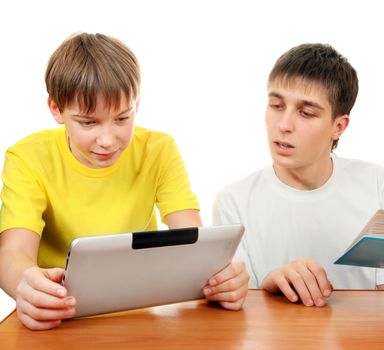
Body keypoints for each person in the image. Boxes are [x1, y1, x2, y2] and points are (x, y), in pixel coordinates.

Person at [0, 32, 248, 331]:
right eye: (88, 122)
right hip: (61, 315)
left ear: (136, 105)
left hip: (140, 313)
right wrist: (25, 284)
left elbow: (192, 238)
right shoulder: (28, 156)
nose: (107, 141)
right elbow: (13, 252)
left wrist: (222, 276)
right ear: (56, 110)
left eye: (122, 118)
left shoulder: (159, 149)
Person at [212, 43, 384, 307]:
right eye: (276, 105)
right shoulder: (234, 200)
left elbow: (380, 291)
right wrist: (270, 283)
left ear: (338, 126)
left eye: (306, 113)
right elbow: (236, 309)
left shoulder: (375, 183)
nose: (283, 125)